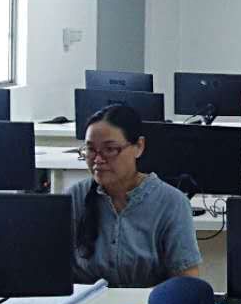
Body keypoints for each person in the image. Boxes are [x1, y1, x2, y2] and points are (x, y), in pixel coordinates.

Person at [71, 104, 202, 288]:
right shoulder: (74, 197)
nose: (98, 160)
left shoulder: (171, 203)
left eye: (110, 149)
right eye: (91, 150)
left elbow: (186, 282)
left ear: (139, 146)